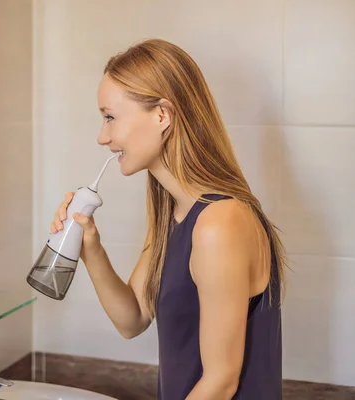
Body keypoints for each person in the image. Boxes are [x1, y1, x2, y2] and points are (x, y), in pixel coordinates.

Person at [50, 38, 286, 400]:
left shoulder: (218, 224)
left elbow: (221, 382)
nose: (103, 137)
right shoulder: (175, 216)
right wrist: (90, 247)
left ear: (162, 115)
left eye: (110, 117)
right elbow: (132, 320)